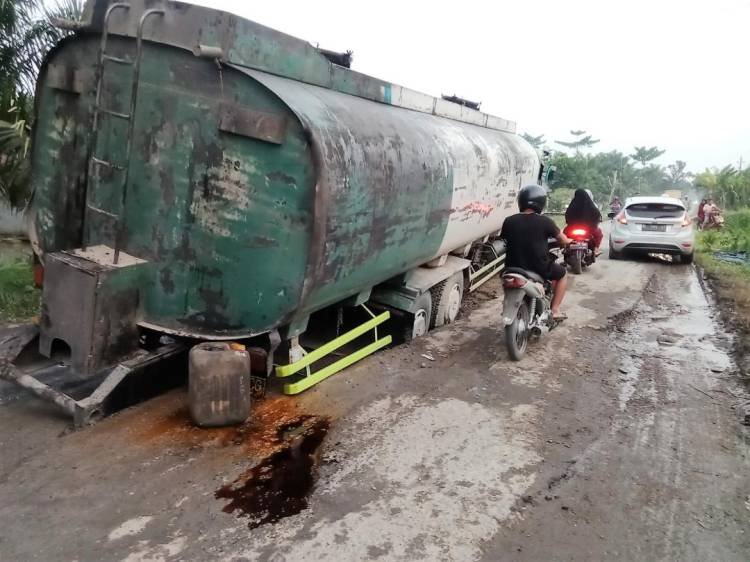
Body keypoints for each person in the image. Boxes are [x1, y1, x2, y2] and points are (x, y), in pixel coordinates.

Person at [501, 184, 571, 320]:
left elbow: (505, 239)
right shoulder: (546, 222)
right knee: (563, 274)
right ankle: (555, 310)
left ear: (521, 201)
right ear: (541, 202)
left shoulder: (509, 221)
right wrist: (567, 241)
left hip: (512, 267)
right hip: (539, 267)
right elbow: (562, 239)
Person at [564, 188, 604, 255]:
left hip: (572, 228)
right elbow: (597, 217)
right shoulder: (592, 206)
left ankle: (565, 250)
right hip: (588, 229)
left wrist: (570, 224)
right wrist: (594, 224)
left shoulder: (572, 205)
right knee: (599, 234)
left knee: (563, 234)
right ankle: (596, 249)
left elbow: (567, 217)